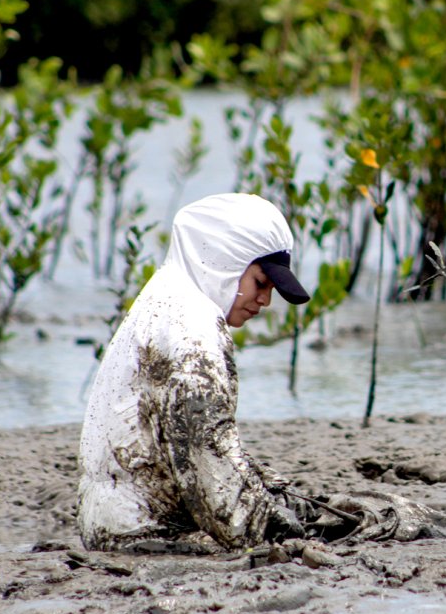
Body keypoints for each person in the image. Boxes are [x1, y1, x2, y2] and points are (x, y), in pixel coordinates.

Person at [77, 193, 312, 552]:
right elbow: (214, 479)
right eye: (260, 282)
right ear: (224, 263)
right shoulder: (193, 335)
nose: (265, 301)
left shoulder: (163, 297)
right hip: (147, 536)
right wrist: (280, 533)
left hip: (112, 521)